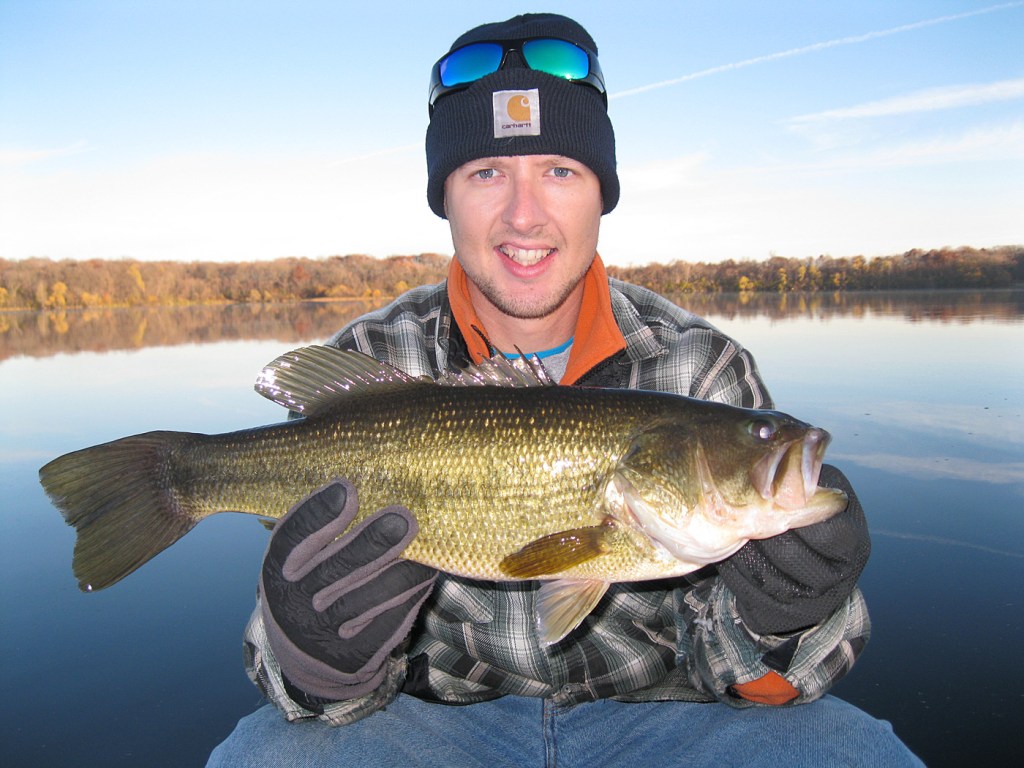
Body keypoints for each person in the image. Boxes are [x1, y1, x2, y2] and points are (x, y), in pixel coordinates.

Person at [208, 13, 922, 766]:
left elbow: (768, 686)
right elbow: (295, 693)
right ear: (445, 196)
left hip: (663, 722)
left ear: (600, 195)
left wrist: (791, 617)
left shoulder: (700, 368)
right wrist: (316, 658)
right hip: (427, 724)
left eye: (559, 172)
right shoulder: (374, 360)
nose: (524, 215)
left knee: (855, 752)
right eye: (486, 173)